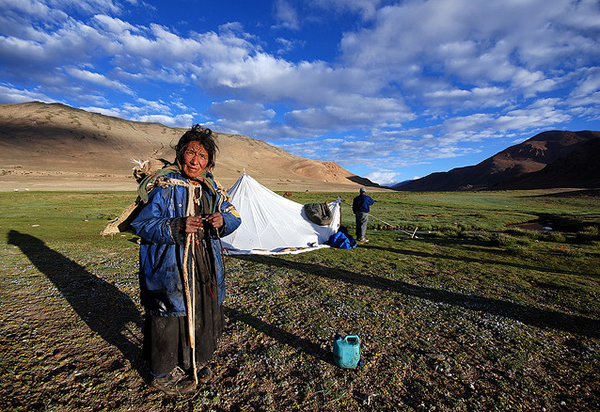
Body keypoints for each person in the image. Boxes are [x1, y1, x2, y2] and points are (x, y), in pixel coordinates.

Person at [130, 125, 241, 396]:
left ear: (209, 162)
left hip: (204, 264)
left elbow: (235, 216)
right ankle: (163, 374)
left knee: (202, 311)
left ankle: (194, 361)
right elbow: (141, 224)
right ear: (181, 154)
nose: (196, 161)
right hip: (170, 265)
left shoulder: (212, 188)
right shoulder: (164, 187)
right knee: (169, 318)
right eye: (191, 153)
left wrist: (222, 220)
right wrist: (177, 225)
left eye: (202, 156)